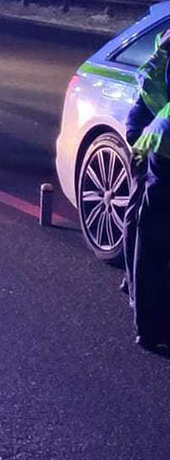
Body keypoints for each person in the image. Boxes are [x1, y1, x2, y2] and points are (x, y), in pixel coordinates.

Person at [123, 28, 170, 350]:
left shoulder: (164, 41)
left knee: (147, 230)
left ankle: (140, 300)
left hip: (156, 138)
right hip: (160, 142)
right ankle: (150, 325)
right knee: (150, 235)